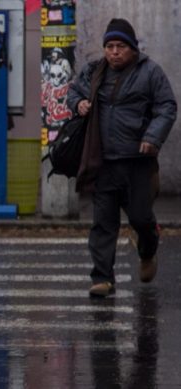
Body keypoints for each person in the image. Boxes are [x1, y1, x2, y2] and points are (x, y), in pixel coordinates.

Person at [66, 18, 177, 297]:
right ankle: (103, 277)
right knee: (103, 223)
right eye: (109, 46)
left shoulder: (150, 72)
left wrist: (152, 138)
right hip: (102, 161)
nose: (114, 52)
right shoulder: (94, 71)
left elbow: (166, 106)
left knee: (141, 219)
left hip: (138, 162)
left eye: (120, 46)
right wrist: (78, 104)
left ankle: (148, 250)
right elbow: (73, 92)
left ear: (132, 49)